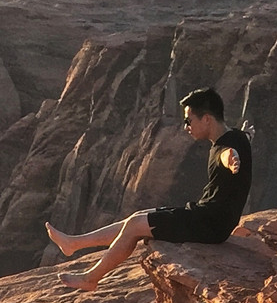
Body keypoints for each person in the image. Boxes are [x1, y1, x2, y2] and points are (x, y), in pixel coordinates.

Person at [45, 87, 253, 291]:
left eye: (188, 121)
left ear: (206, 119)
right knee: (136, 217)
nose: (185, 127)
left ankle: (90, 279)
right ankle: (74, 243)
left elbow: (227, 154)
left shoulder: (226, 148)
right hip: (205, 216)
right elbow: (238, 142)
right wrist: (245, 138)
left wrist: (232, 159)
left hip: (209, 225)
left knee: (136, 225)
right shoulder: (236, 136)